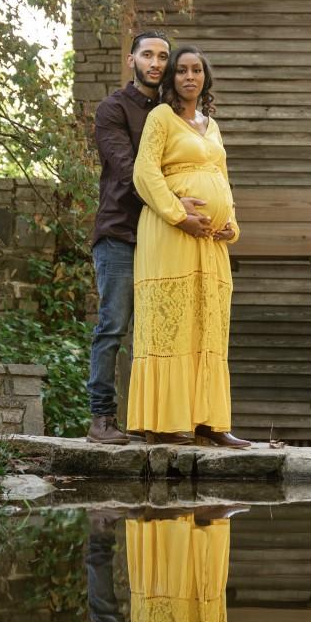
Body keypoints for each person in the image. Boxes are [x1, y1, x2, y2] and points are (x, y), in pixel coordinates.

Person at [87, 33, 212, 445]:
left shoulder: (171, 112)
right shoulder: (113, 109)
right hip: (122, 233)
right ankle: (101, 418)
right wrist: (177, 204)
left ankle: (152, 420)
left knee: (160, 329)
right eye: (147, 56)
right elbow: (130, 171)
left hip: (163, 235)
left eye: (162, 57)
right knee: (113, 325)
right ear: (132, 61)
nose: (155, 64)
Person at [127, 46, 250, 448]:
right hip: (171, 233)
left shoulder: (211, 126)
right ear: (172, 78)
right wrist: (179, 214)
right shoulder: (161, 117)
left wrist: (231, 224)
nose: (189, 77)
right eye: (181, 70)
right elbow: (144, 172)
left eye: (196, 70)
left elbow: (221, 178)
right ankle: (165, 422)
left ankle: (210, 421)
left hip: (210, 242)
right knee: (173, 323)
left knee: (209, 323)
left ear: (205, 77)